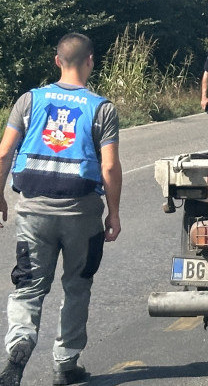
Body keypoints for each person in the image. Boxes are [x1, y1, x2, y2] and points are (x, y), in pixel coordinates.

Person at [0, 33, 122, 386]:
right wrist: (113, 214)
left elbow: (5, 152)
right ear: (91, 61)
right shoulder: (102, 108)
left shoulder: (29, 100)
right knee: (77, 286)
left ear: (57, 61)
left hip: (33, 211)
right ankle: (65, 363)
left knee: (28, 285)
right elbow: (110, 168)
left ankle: (20, 344)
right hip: (82, 214)